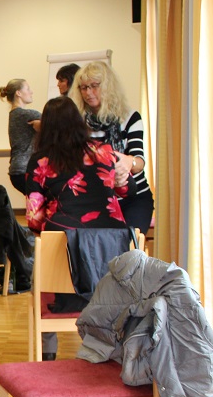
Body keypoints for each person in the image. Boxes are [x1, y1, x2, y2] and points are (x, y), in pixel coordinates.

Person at [24, 96, 133, 360]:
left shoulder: (40, 163)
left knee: (43, 269)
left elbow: (34, 220)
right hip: (113, 253)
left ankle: (47, 354)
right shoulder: (105, 153)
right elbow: (123, 189)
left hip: (64, 261)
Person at [69, 61, 154, 232]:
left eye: (94, 86)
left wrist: (130, 162)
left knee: (129, 251)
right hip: (93, 199)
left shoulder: (130, 117)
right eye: (83, 88)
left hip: (133, 198)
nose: (88, 93)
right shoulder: (75, 121)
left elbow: (139, 160)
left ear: (108, 87)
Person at [0, 78, 41, 194]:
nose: (31, 92)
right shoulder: (28, 114)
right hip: (25, 169)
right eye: (27, 89)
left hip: (17, 170)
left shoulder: (14, 114)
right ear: (18, 93)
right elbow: (59, 125)